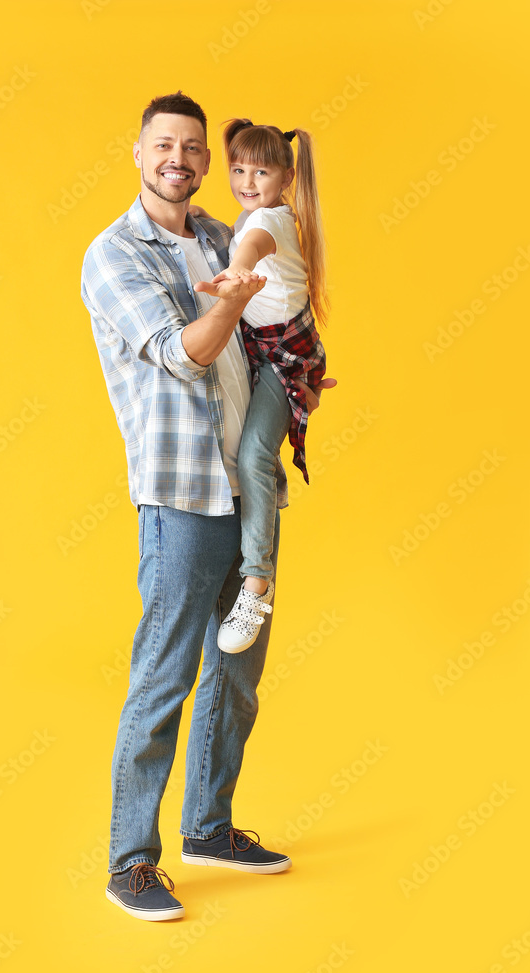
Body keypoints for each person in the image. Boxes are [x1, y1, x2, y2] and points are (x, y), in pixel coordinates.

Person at [80, 91, 335, 923]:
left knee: (237, 675)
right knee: (165, 674)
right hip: (182, 494)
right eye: (164, 145)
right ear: (138, 152)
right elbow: (185, 357)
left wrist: (293, 374)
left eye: (192, 147)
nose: (179, 160)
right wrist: (232, 294)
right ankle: (130, 861)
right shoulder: (115, 254)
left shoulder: (226, 234)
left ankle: (210, 828)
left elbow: (265, 331)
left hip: (245, 485)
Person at [188, 118, 335, 655]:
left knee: (253, 455)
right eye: (238, 169)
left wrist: (236, 274)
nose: (248, 181)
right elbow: (243, 234)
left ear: (287, 176)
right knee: (241, 446)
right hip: (269, 351)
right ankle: (248, 565)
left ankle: (255, 583)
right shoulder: (258, 215)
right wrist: (202, 218)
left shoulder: (267, 221)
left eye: (263, 171)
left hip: (282, 355)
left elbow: (249, 248)